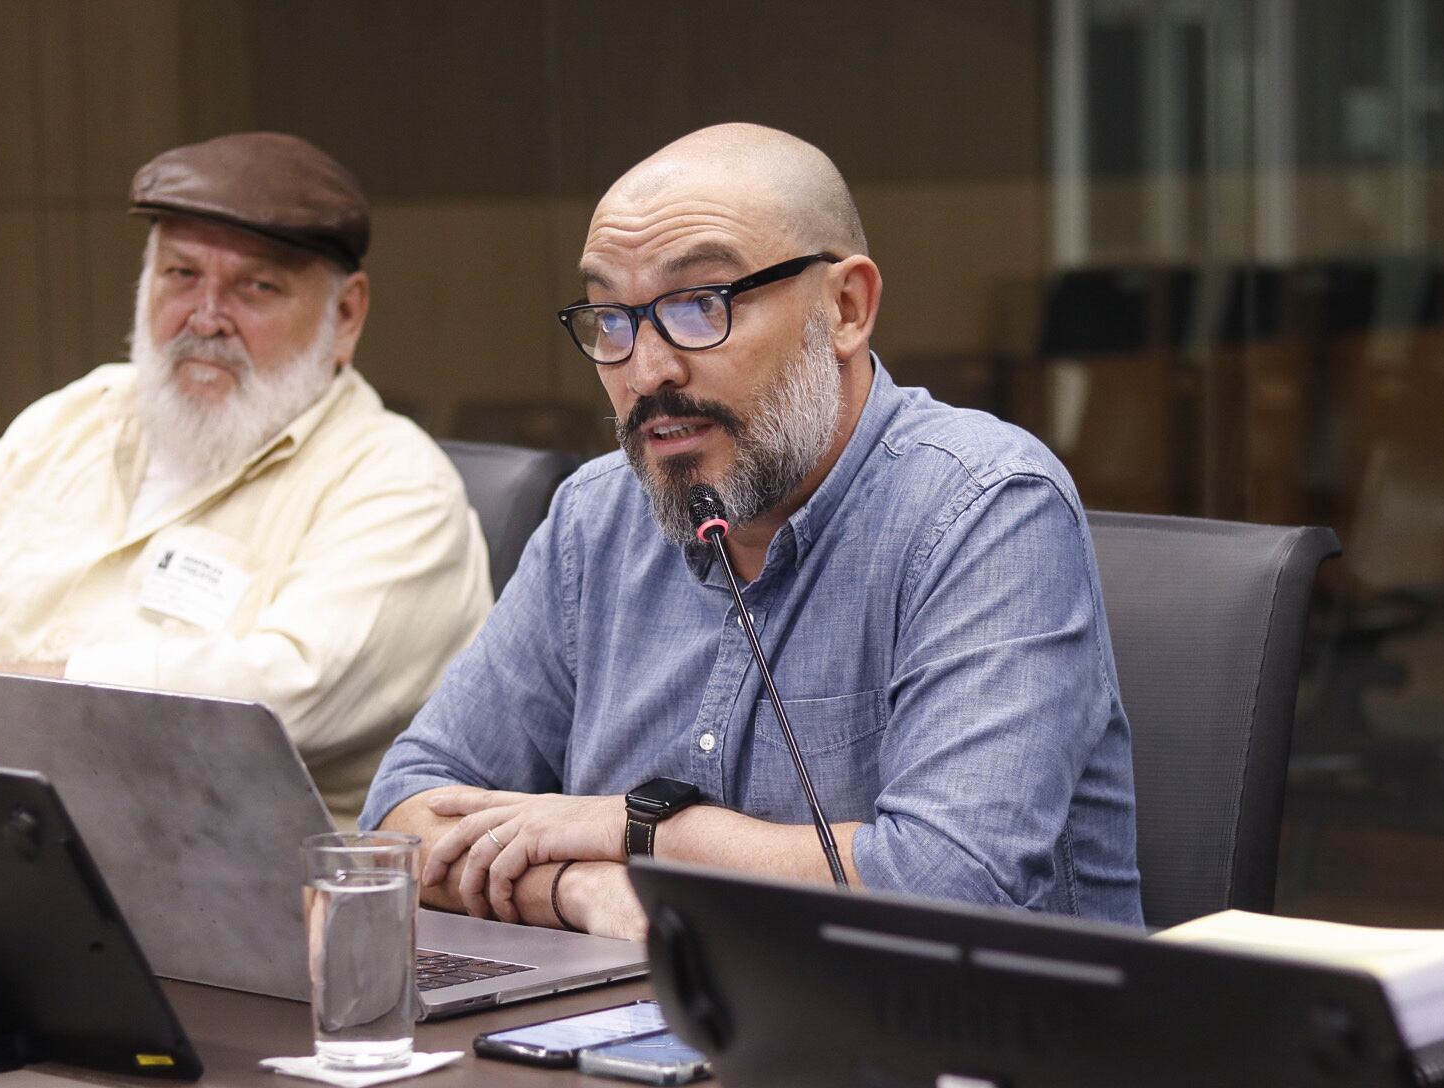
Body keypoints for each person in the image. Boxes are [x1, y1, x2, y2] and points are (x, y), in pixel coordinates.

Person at [365, 123, 1140, 936]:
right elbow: (404, 812)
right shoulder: (599, 515)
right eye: (613, 319)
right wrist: (582, 893)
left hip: (949, 1045)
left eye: (701, 306)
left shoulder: (983, 505)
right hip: (631, 1029)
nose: (648, 371)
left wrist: (641, 831)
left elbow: (948, 886)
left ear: (845, 308)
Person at [0, 132, 490, 826]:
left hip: (233, 893)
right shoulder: (82, 413)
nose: (207, 318)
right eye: (181, 276)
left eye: (257, 287)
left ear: (345, 315)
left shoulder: (398, 485)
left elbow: (271, 695)